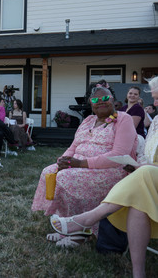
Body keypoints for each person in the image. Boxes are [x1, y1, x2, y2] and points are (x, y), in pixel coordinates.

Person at [50, 75, 158, 278]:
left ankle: (83, 223)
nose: (154, 104)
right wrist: (139, 164)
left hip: (141, 174)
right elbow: (147, 152)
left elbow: (121, 151)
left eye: (157, 98)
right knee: (138, 195)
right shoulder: (157, 122)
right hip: (147, 176)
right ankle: (138, 272)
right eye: (154, 98)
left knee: (140, 175)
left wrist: (141, 166)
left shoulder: (124, 117)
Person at [31, 86, 138, 236]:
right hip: (77, 165)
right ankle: (65, 221)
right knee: (49, 171)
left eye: (105, 98)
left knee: (65, 178)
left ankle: (79, 229)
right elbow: (74, 146)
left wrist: (80, 164)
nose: (100, 102)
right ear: (90, 103)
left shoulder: (123, 119)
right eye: (95, 99)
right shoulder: (88, 120)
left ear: (113, 100)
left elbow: (119, 155)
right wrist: (62, 160)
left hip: (112, 169)